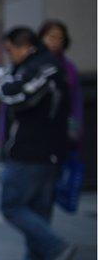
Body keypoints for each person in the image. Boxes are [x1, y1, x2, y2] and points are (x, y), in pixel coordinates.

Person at [0, 26, 75, 260]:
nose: (10, 57)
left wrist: (1, 79)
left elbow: (17, 96)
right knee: (38, 210)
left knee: (12, 206)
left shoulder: (44, 68)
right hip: (45, 150)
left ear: (23, 46)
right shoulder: (43, 66)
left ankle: (55, 247)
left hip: (32, 150)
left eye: (10, 51)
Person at [39, 19, 85, 213]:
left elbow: (76, 100)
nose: (55, 41)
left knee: (55, 182)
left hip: (63, 132)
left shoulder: (69, 67)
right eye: (51, 37)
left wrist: (76, 128)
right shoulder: (36, 65)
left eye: (60, 37)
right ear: (41, 38)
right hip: (38, 134)